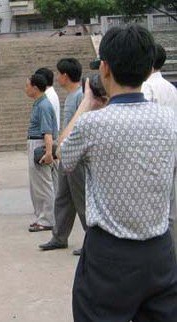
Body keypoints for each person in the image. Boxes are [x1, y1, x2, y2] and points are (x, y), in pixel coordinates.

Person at [61, 25, 177, 321]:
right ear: (149, 68)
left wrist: (88, 104)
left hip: (110, 257)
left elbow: (63, 157)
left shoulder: (92, 125)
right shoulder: (171, 120)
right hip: (160, 252)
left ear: (105, 68)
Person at [38, 58, 86, 255]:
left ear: (65, 76)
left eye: (59, 74)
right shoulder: (72, 95)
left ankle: (92, 241)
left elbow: (81, 127)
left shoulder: (81, 96)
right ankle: (59, 237)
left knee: (82, 201)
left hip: (76, 157)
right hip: (66, 155)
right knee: (62, 198)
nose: (57, 77)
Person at [142, 43, 177, 255]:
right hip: (172, 149)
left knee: (156, 208)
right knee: (171, 205)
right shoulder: (171, 88)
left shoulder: (147, 88)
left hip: (155, 155)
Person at [26, 74, 58, 232]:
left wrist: (49, 153)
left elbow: (47, 132)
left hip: (40, 144)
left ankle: (47, 219)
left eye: (28, 85)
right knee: (37, 185)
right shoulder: (39, 104)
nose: (26, 88)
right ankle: (41, 216)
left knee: (44, 185)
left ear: (35, 88)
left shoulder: (43, 106)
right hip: (35, 143)